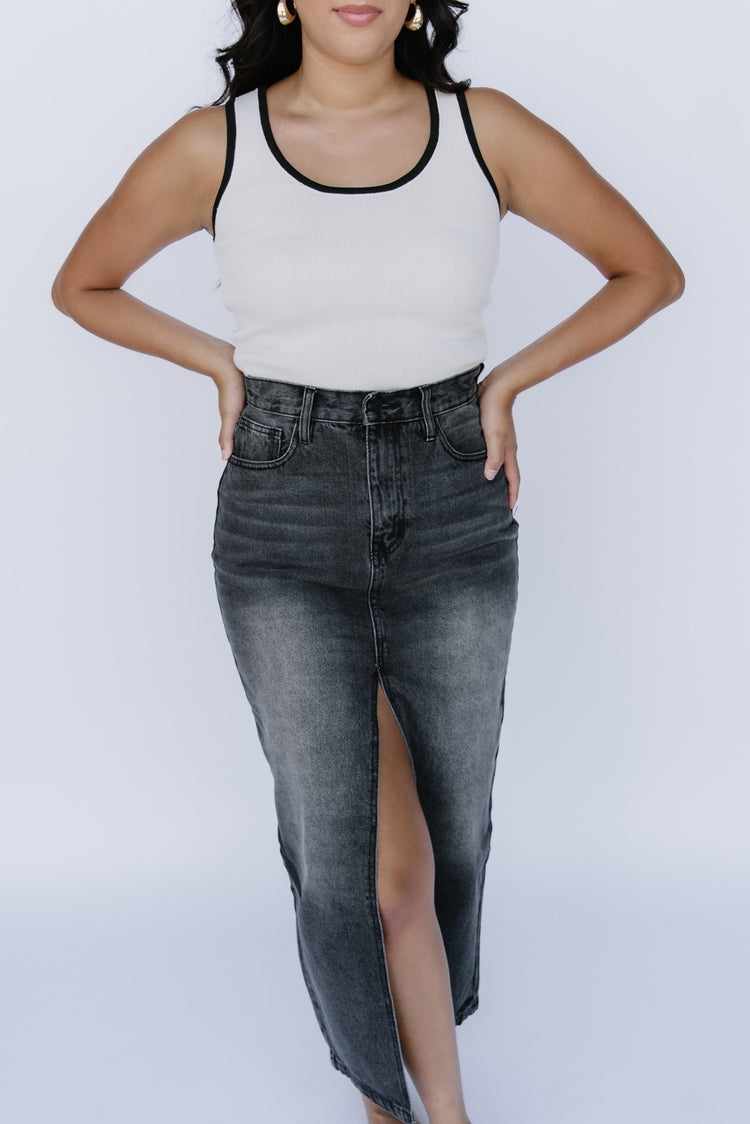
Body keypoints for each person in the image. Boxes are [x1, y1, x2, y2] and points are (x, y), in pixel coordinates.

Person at [50, 2, 684, 1121]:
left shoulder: (484, 129)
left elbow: (646, 269)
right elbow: (82, 282)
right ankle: (422, 1106)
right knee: (348, 856)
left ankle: (399, 1088)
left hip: (453, 499)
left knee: (449, 840)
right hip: (285, 511)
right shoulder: (218, 142)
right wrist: (218, 360)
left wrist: (504, 383)